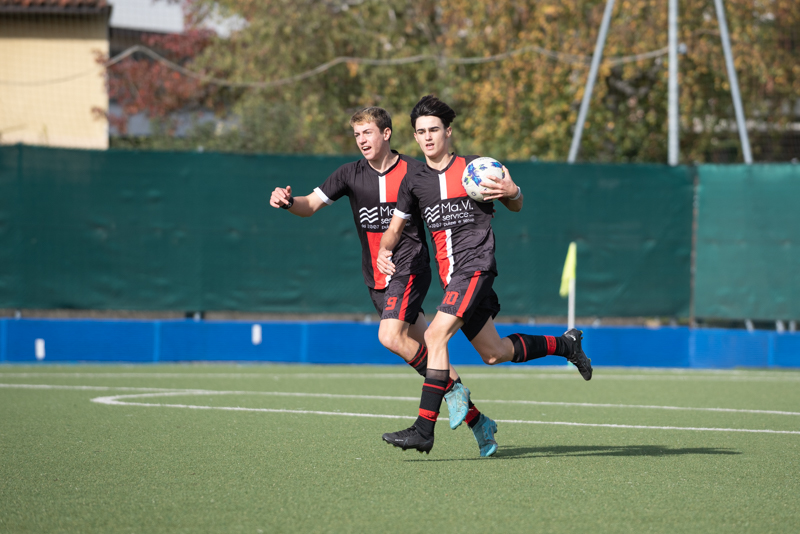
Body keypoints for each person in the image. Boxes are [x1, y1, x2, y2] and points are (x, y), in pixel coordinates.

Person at [269, 106, 497, 455]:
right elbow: (310, 205)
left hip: (410, 268)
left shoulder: (414, 171)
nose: (361, 140)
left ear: (386, 134)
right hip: (377, 278)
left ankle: (436, 414)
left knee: (390, 336)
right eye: (357, 135)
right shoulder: (349, 174)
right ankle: (479, 422)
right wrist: (288, 202)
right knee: (431, 357)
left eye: (368, 133)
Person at [378, 95, 592, 456]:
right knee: (494, 353)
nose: (427, 137)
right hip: (453, 279)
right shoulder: (414, 181)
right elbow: (394, 229)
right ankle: (566, 345)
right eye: (421, 132)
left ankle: (423, 429)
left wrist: (513, 191)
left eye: (433, 130)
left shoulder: (477, 168)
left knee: (434, 335)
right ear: (414, 137)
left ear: (448, 131)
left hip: (476, 266)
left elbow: (515, 203)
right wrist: (385, 249)